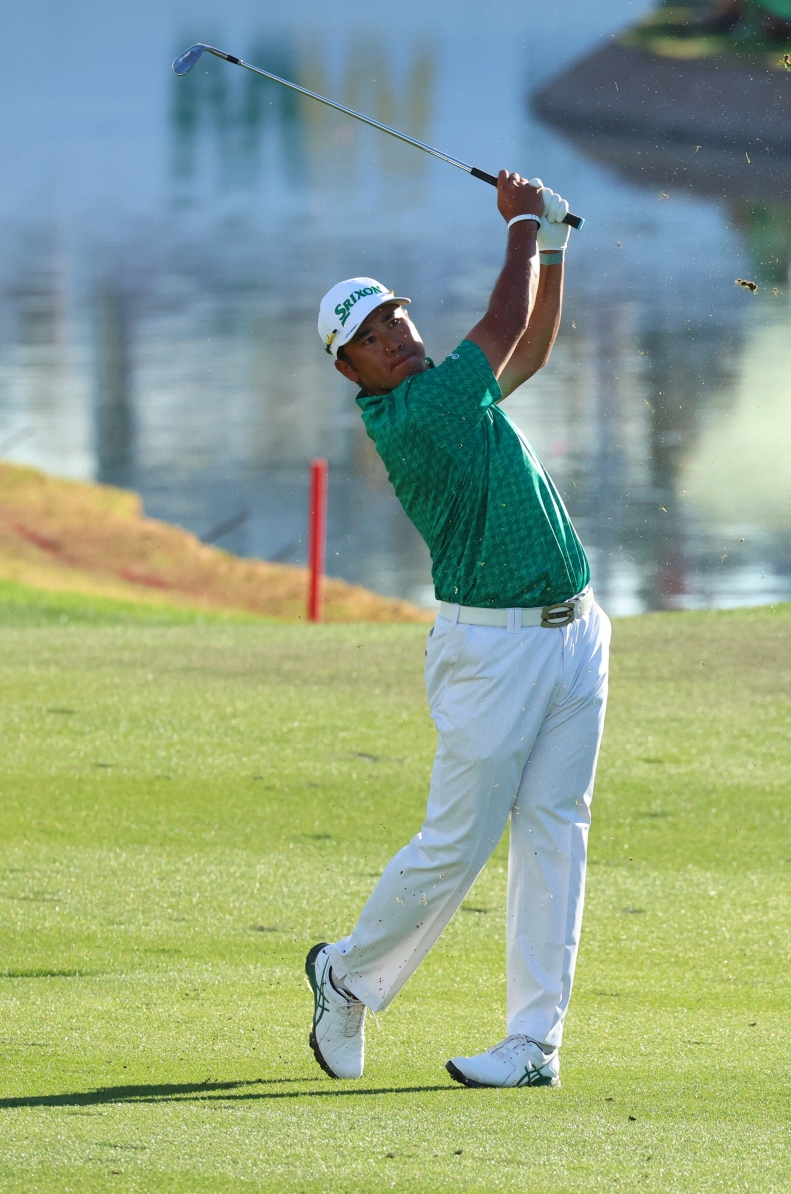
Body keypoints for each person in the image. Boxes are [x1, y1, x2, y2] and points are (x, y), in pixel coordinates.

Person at [307, 172, 611, 1089]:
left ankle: (532, 1045)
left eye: (393, 318)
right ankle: (347, 976)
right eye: (367, 337)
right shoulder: (414, 416)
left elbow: (532, 347)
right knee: (458, 843)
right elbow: (503, 326)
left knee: (557, 831)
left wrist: (551, 241)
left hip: (576, 631)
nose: (390, 338)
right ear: (347, 369)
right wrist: (524, 224)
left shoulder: (454, 390)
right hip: (493, 651)